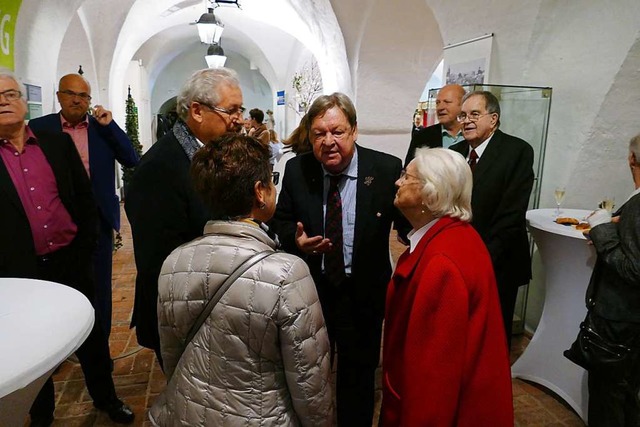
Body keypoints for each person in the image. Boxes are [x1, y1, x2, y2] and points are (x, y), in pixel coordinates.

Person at [149, 134, 333, 426]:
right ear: (260, 192)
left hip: (189, 412)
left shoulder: (174, 261)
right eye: (271, 180)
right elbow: (309, 379)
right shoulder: (286, 274)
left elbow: (171, 355)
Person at [0, 70, 134, 426]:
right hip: (22, 269)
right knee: (33, 344)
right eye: (71, 94)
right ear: (58, 96)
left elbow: (85, 195)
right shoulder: (47, 129)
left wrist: (86, 241)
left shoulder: (55, 143)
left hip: (73, 254)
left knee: (92, 327)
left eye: (11, 94)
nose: (4, 101)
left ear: (23, 101)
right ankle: (41, 414)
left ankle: (106, 397)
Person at [272, 92, 405, 426]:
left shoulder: (386, 169)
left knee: (358, 379)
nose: (328, 141)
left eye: (337, 132)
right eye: (319, 134)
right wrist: (296, 241)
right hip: (312, 294)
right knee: (309, 374)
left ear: (354, 131)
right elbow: (282, 220)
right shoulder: (297, 170)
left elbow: (407, 223)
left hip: (363, 294)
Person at [381, 147, 513, 426]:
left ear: (431, 194)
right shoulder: (459, 236)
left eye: (406, 176)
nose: (398, 182)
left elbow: (432, 382)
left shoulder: (441, 264)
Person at [124, 68, 244, 366]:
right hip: (182, 314)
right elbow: (159, 261)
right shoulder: (160, 168)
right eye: (231, 110)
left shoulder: (206, 153)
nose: (239, 119)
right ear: (197, 111)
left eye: (240, 109)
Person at [28, 73, 139, 338]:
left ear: (89, 100)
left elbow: (131, 158)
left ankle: (99, 344)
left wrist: (111, 126)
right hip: (56, 219)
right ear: (59, 96)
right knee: (61, 283)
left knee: (100, 285)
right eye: (70, 93)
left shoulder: (101, 127)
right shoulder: (40, 127)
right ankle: (67, 341)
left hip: (96, 217)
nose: (76, 100)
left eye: (83, 96)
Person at [450, 90, 534, 346]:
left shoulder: (516, 151)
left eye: (475, 114)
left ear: (493, 119)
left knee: (492, 336)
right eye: (463, 115)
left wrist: (482, 257)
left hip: (498, 261)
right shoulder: (455, 152)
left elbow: (511, 212)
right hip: (458, 259)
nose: (467, 121)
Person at [582, 134, 640, 426]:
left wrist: (602, 229)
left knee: (609, 400)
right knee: (629, 394)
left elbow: (634, 270)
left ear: (631, 159)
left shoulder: (637, 205)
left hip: (621, 322)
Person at [404, 83, 465, 165]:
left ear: (463, 105)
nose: (440, 107)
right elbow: (409, 170)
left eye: (447, 102)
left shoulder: (473, 135)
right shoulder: (422, 136)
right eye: (437, 103)